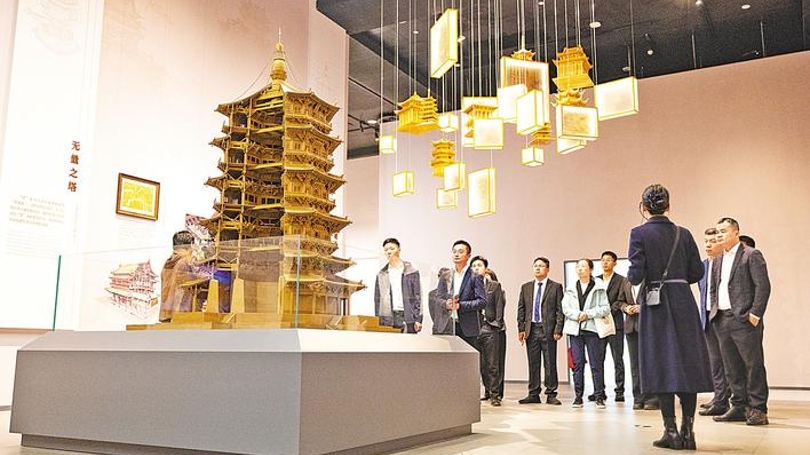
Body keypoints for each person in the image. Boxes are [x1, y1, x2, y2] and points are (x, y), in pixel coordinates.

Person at [627, 183, 712, 450]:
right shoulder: (683, 234)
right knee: (687, 364)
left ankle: (670, 431)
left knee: (661, 364)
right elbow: (697, 272)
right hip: (683, 302)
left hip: (656, 307)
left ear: (643, 207)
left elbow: (635, 276)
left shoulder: (638, 233)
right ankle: (689, 431)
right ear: (668, 206)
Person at [710, 218, 771, 426]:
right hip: (722, 318)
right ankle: (738, 406)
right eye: (717, 231)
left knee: (753, 365)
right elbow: (714, 287)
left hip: (744, 320)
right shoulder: (718, 259)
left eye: (723, 231)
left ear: (736, 232)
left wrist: (755, 314)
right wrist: (714, 311)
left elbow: (763, 286)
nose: (719, 235)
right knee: (731, 366)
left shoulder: (751, 255)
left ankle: (758, 408)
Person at [562, 258, 610, 408]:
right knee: (577, 364)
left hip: (592, 329)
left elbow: (605, 308)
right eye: (578, 267)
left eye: (583, 266)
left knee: (596, 364)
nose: (580, 269)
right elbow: (565, 307)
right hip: (575, 330)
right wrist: (577, 315)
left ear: (591, 270)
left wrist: (587, 314)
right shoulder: (571, 287)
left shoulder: (599, 287)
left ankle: (599, 396)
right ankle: (578, 396)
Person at [517, 257, 564, 405]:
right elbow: (521, 309)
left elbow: (560, 310)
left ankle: (551, 394)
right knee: (533, 363)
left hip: (548, 330)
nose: (538, 268)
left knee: (550, 363)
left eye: (541, 266)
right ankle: (533, 393)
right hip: (531, 329)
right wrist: (521, 328)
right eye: (535, 266)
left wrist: (558, 329)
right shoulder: (526, 287)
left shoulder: (555, 287)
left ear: (547, 269)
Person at [697, 227, 731, 417]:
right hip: (707, 317)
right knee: (715, 361)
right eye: (706, 242)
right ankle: (719, 398)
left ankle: (732, 399)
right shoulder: (702, 266)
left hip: (723, 317)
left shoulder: (726, 263)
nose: (708, 245)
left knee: (729, 361)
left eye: (713, 241)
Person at [592, 251, 629, 403]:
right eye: (603, 260)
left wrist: (606, 312)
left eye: (608, 260)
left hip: (616, 324)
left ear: (614, 263)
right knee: (598, 359)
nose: (605, 262)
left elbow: (620, 300)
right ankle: (599, 391)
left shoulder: (621, 280)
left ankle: (619, 391)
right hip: (598, 325)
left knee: (617, 359)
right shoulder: (595, 280)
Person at [437, 240, 487, 348]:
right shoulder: (446, 275)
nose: (456, 254)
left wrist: (461, 305)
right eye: (454, 251)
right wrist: (446, 304)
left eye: (460, 252)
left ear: (468, 255)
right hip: (448, 325)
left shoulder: (475, 276)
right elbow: (438, 298)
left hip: (467, 327)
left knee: (466, 357)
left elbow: (482, 301)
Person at [619, 277, 659, 411]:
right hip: (631, 328)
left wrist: (643, 308)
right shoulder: (626, 281)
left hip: (648, 326)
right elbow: (620, 301)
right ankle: (638, 398)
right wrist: (626, 308)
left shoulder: (652, 280)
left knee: (650, 363)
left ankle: (652, 398)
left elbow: (658, 301)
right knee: (635, 365)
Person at [471, 256, 505, 406]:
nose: (476, 268)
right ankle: (487, 390)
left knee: (492, 363)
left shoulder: (494, 286)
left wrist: (497, 324)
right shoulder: (468, 286)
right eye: (473, 266)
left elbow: (499, 305)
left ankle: (495, 395)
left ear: (485, 268)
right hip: (474, 328)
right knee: (481, 364)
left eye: (479, 265)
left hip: (490, 327)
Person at [373, 238, 422, 333]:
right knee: (390, 342)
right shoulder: (381, 274)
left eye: (392, 248)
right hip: (388, 317)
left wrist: (418, 319)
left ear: (399, 250)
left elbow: (417, 296)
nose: (389, 252)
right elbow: (377, 299)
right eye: (386, 250)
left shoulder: (411, 271)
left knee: (408, 341)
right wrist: (377, 318)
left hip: (407, 315)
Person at [160, 230, 196, 322]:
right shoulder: (185, 262)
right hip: (180, 314)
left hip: (166, 313)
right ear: (190, 245)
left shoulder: (168, 262)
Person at [429, 267, 454, 335]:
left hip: (452, 326)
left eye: (448, 277)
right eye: (443, 277)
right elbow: (432, 313)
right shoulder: (432, 294)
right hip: (439, 327)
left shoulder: (454, 292)